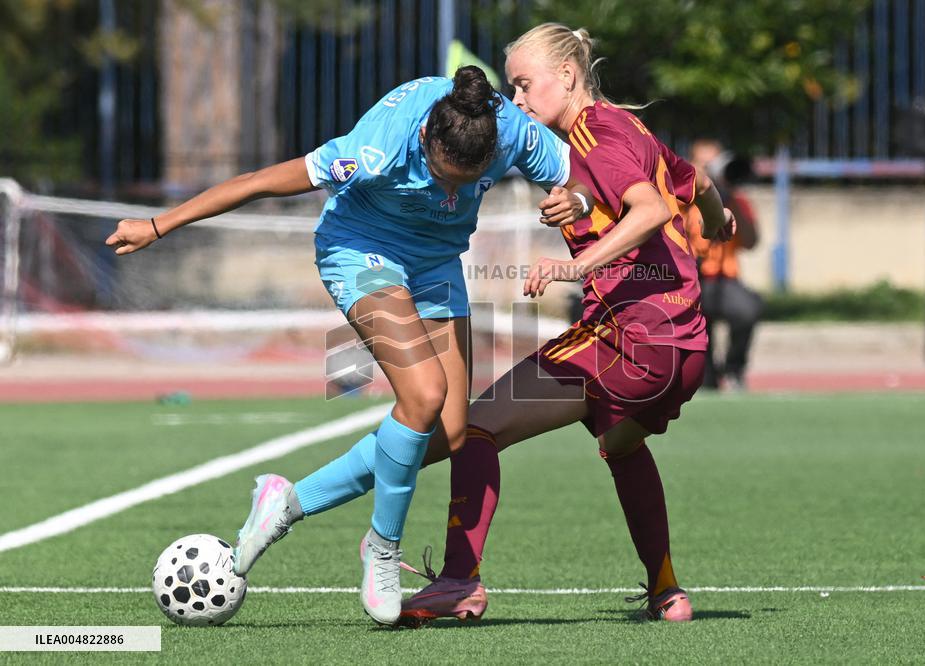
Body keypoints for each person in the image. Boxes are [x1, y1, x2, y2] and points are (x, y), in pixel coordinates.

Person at [104, 66, 591, 626]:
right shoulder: (374, 151)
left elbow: (582, 173)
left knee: (454, 431)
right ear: (426, 139)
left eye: (467, 182)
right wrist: (159, 224)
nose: (451, 194)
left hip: (435, 261)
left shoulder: (508, 130)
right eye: (442, 177)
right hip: (361, 251)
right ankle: (382, 550)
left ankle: (287, 502)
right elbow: (261, 180)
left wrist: (574, 200)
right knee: (424, 393)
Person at [399, 24, 735, 625]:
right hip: (684, 342)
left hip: (628, 338)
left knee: (476, 427)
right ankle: (668, 594)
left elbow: (653, 209)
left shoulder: (593, 136)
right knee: (622, 445)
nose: (519, 101)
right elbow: (699, 185)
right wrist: (719, 222)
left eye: (526, 86)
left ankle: (458, 582)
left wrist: (571, 264)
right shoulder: (626, 127)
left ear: (569, 77)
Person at [685, 139, 763, 390]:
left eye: (715, 163)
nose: (710, 169)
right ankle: (706, 376)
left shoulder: (736, 199)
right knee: (704, 380)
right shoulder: (680, 198)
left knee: (747, 309)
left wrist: (728, 199)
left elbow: (751, 242)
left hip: (725, 279)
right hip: (689, 280)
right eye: (704, 164)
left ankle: (734, 369)